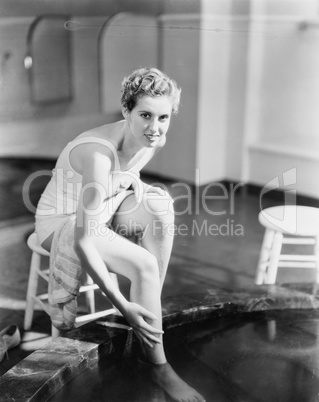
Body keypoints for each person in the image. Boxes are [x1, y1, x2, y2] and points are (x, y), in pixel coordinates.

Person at [35, 67, 205, 402]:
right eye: (145, 115)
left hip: (103, 207)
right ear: (126, 110)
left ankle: (148, 319)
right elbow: (83, 239)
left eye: (163, 117)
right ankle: (157, 366)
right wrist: (123, 304)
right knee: (142, 264)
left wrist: (133, 184)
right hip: (61, 223)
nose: (154, 128)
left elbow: (125, 175)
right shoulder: (98, 154)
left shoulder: (154, 140)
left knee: (161, 207)